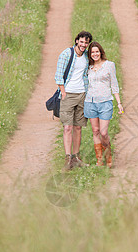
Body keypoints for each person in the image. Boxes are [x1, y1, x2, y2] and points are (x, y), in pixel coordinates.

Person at [55, 31, 92, 170]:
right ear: (77, 41)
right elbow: (58, 75)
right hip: (68, 94)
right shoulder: (66, 54)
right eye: (81, 42)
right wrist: (63, 92)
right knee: (67, 127)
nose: (83, 45)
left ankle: (76, 158)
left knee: (78, 127)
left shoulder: (87, 56)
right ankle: (68, 158)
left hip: (82, 94)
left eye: (86, 43)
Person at [84, 41, 124, 168]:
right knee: (95, 131)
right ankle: (99, 160)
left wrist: (119, 103)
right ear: (90, 54)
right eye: (92, 52)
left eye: (97, 52)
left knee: (103, 132)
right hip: (90, 102)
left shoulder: (109, 65)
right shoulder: (88, 67)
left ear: (101, 52)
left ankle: (108, 156)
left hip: (105, 102)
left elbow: (114, 84)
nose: (95, 54)